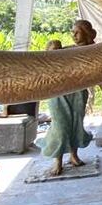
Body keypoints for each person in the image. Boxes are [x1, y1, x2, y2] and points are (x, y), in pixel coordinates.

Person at [38, 33, 93, 176]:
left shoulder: (72, 55)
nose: (73, 35)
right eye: (52, 51)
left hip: (77, 95)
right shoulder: (46, 65)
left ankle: (74, 156)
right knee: (60, 127)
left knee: (76, 125)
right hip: (57, 96)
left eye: (59, 49)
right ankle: (58, 161)